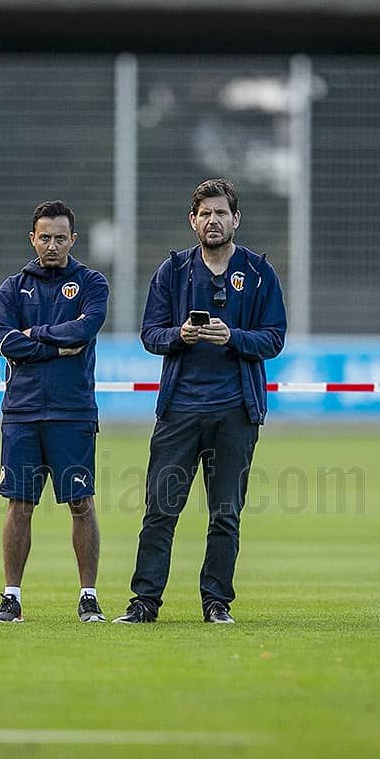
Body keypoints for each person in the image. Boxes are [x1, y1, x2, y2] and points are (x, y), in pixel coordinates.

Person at [116, 178, 286, 625]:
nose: (214, 220)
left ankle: (216, 604)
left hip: (236, 412)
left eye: (222, 213)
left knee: (225, 515)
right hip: (179, 412)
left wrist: (234, 337)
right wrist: (180, 335)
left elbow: (274, 339)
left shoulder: (259, 272)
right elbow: (150, 334)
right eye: (205, 213)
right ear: (192, 221)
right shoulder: (172, 272)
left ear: (236, 219)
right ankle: (144, 603)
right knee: (159, 511)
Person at [0, 200, 110, 623]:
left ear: (73, 239)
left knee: (81, 504)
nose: (53, 245)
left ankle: (88, 597)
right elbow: (5, 342)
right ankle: (11, 598)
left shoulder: (92, 283)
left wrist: (34, 336)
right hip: (21, 413)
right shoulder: (11, 288)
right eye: (45, 237)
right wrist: (58, 346)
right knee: (19, 506)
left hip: (73, 412)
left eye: (61, 237)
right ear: (33, 239)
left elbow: (85, 329)